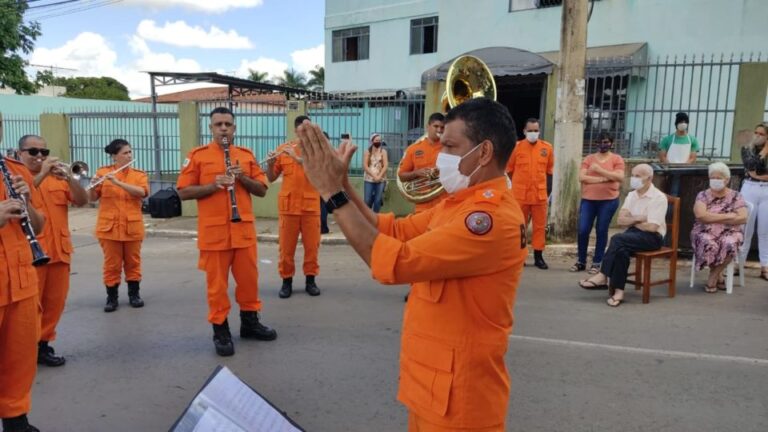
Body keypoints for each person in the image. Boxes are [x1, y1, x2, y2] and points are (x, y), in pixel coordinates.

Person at [296, 98, 526, 431]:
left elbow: (397, 263)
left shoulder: (489, 219)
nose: (439, 154)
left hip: (461, 401)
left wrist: (332, 193)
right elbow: (391, 230)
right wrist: (343, 183)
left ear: (484, 152)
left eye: (449, 145)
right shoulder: (460, 203)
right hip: (432, 387)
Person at [177, 107, 277, 357]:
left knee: (249, 282)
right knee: (217, 286)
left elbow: (262, 190)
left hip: (242, 231)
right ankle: (220, 330)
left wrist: (242, 178)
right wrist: (213, 185)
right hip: (214, 234)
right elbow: (183, 191)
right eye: (218, 124)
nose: (223, 128)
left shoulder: (245, 155)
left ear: (234, 128)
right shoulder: (197, 156)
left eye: (228, 124)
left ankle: (250, 323)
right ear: (210, 128)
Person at [17, 135, 88, 367]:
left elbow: (82, 200)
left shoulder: (58, 178)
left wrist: (70, 179)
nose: (40, 156)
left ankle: (43, 346)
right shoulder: (15, 177)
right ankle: (24, 349)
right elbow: (17, 197)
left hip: (60, 252)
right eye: (33, 152)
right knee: (29, 308)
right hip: (32, 255)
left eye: (44, 152)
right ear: (20, 154)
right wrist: (42, 173)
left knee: (54, 303)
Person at [578, 164, 668, 306]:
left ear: (649, 178)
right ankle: (619, 292)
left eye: (638, 176)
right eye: (633, 175)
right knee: (621, 250)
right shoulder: (632, 195)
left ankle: (603, 275)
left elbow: (652, 227)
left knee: (617, 238)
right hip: (633, 234)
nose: (634, 179)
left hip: (652, 237)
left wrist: (631, 220)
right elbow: (620, 220)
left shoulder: (658, 197)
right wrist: (640, 218)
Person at [0, 154, 46, 432]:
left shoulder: (16, 170)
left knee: (20, 358)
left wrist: (27, 201)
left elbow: (39, 227)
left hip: (21, 282)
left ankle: (16, 420)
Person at [266, 115, 322, 299]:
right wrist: (270, 163)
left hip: (310, 207)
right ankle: (286, 281)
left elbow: (317, 170)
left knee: (312, 247)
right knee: (286, 248)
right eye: (302, 130)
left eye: (308, 130)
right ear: (296, 130)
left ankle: (310, 281)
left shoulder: (317, 150)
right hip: (288, 208)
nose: (305, 134)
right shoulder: (283, 149)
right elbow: (271, 177)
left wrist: (297, 157)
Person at [89, 139, 148, 312]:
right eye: (125, 153)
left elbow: (142, 192)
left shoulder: (139, 174)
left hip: (132, 226)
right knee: (112, 264)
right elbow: (92, 198)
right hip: (109, 228)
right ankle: (112, 297)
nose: (129, 155)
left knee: (133, 262)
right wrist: (95, 185)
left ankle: (134, 295)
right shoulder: (102, 172)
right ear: (114, 156)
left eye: (130, 152)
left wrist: (117, 183)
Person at [571, 134, 625, 274]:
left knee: (601, 230)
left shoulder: (617, 159)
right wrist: (605, 178)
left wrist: (598, 170)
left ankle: (597, 262)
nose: (603, 144)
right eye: (600, 142)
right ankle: (581, 261)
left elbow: (619, 177)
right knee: (583, 230)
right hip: (588, 200)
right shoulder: (589, 159)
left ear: (611, 143)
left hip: (608, 201)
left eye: (606, 142)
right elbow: (582, 177)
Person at [506, 117, 554, 269]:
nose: (533, 133)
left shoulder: (547, 148)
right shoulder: (516, 147)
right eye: (530, 130)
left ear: (539, 131)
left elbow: (549, 172)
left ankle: (539, 257)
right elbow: (509, 170)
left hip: (539, 195)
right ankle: (520, 257)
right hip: (520, 195)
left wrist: (547, 192)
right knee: (520, 227)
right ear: (524, 131)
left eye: (536, 130)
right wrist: (517, 186)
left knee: (540, 227)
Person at [691, 162, 748, 292]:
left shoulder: (736, 196)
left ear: (726, 180)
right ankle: (720, 276)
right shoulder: (703, 195)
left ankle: (714, 275)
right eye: (712, 178)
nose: (715, 180)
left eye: (718, 178)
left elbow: (743, 217)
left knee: (729, 243)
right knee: (708, 243)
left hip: (731, 231)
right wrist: (728, 216)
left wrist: (712, 216)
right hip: (704, 230)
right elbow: (701, 216)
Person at [398, 112, 446, 213]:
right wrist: (416, 173)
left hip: (445, 202)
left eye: (442, 127)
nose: (439, 130)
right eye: (436, 126)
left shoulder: (449, 148)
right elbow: (402, 176)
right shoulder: (413, 149)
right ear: (428, 127)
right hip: (423, 205)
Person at [740, 122, 768, 280]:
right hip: (750, 188)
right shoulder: (747, 147)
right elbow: (750, 165)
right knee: (745, 228)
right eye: (756, 132)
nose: (757, 135)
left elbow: (754, 172)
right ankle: (739, 263)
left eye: (761, 134)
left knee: (765, 231)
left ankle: (765, 267)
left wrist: (757, 175)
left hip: (767, 191)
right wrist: (764, 152)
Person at [363, 133, 388, 213]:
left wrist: (379, 176)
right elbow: (365, 166)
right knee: (367, 200)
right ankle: (367, 217)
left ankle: (375, 218)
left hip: (381, 179)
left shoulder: (383, 152)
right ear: (371, 141)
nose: (378, 142)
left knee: (377, 201)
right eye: (376, 140)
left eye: (380, 140)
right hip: (369, 179)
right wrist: (374, 176)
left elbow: (386, 165)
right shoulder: (367, 152)